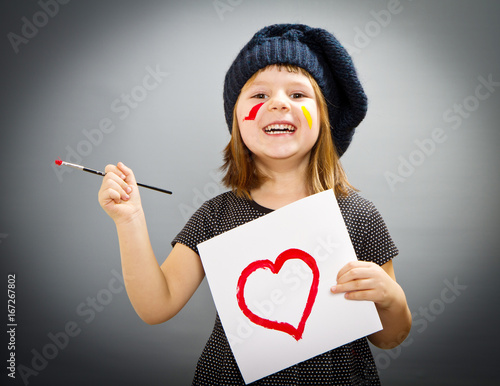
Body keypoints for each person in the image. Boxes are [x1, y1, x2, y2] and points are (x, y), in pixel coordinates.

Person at [98, 24, 411, 385]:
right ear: (237, 123)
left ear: (324, 119)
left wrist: (391, 298)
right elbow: (157, 305)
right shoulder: (216, 216)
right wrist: (130, 219)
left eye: (298, 94)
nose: (278, 102)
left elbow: (390, 337)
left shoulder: (359, 216)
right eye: (259, 95)